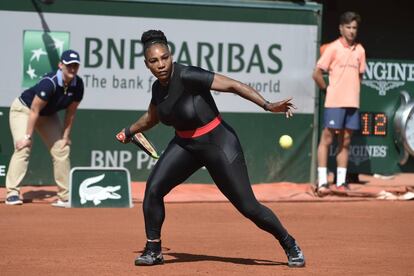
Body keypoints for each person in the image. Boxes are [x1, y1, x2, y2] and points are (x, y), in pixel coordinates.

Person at [116, 30, 305, 267]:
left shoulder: (189, 75)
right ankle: (153, 250)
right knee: (153, 190)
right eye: (154, 61)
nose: (161, 64)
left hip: (218, 143)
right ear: (147, 64)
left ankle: (289, 243)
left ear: (171, 55)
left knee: (249, 207)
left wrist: (267, 105)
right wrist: (130, 130)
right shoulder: (158, 89)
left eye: (164, 58)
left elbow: (234, 85)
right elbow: (151, 118)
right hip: (185, 145)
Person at [5, 49, 84, 207]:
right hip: (25, 110)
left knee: (62, 149)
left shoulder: (78, 85)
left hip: (47, 115)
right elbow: (34, 109)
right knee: (23, 147)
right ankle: (12, 193)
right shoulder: (50, 82)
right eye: (69, 65)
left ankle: (65, 196)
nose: (72, 69)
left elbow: (71, 113)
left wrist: (65, 136)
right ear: (60, 65)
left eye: (75, 66)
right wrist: (27, 137)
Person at [312, 11, 366, 196]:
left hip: (352, 103)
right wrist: (327, 89)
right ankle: (322, 182)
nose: (352, 31)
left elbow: (360, 76)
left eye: (354, 28)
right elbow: (317, 73)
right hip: (334, 102)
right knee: (327, 139)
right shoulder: (333, 48)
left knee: (346, 141)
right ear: (341, 28)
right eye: (348, 27)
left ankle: (341, 182)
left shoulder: (360, 50)